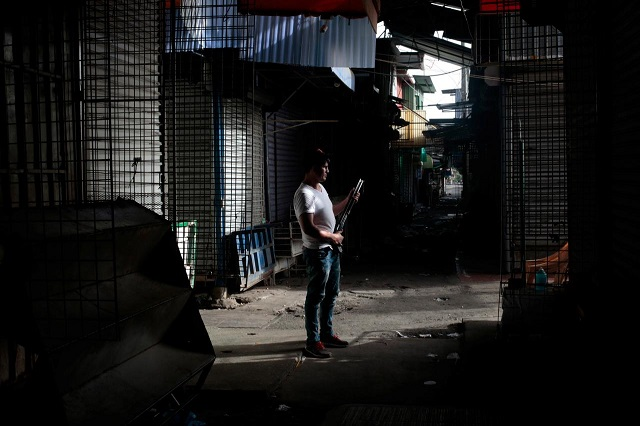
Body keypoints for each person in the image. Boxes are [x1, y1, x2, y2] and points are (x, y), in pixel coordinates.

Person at [293, 148, 360, 358]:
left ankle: (327, 334)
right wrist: (333, 237)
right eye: (324, 167)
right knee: (315, 297)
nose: (327, 170)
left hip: (330, 251)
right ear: (312, 168)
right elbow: (309, 228)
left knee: (331, 295)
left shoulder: (320, 189)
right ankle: (313, 342)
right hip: (318, 253)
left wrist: (349, 200)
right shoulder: (304, 194)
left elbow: (331, 211)